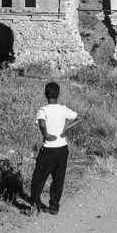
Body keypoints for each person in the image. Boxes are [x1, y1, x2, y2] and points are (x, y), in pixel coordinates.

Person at [30, 82, 82, 215]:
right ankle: (54, 207)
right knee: (58, 178)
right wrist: (66, 128)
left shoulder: (43, 110)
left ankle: (35, 206)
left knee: (39, 178)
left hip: (49, 149)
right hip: (62, 148)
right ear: (59, 94)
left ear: (45, 94)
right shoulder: (63, 109)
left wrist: (46, 134)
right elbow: (79, 118)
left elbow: (42, 123)